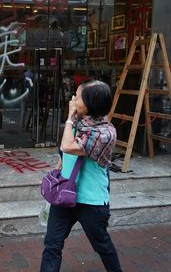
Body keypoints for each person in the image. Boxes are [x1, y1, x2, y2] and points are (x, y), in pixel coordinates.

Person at [40, 80, 122, 272]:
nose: (73, 99)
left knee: (102, 245)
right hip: (64, 195)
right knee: (52, 244)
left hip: (91, 201)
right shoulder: (79, 122)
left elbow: (67, 146)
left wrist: (69, 118)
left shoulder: (105, 133)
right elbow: (65, 152)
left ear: (90, 103)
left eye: (77, 96)